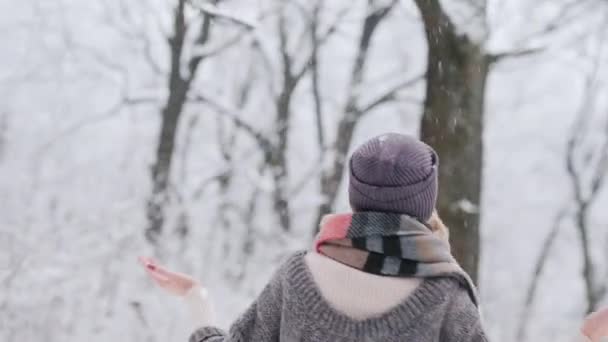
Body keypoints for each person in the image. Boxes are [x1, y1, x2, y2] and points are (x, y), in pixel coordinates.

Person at [140, 133, 607, 341]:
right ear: (426, 203)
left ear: (355, 195)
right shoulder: (444, 294)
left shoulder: (298, 276)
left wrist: (196, 298)